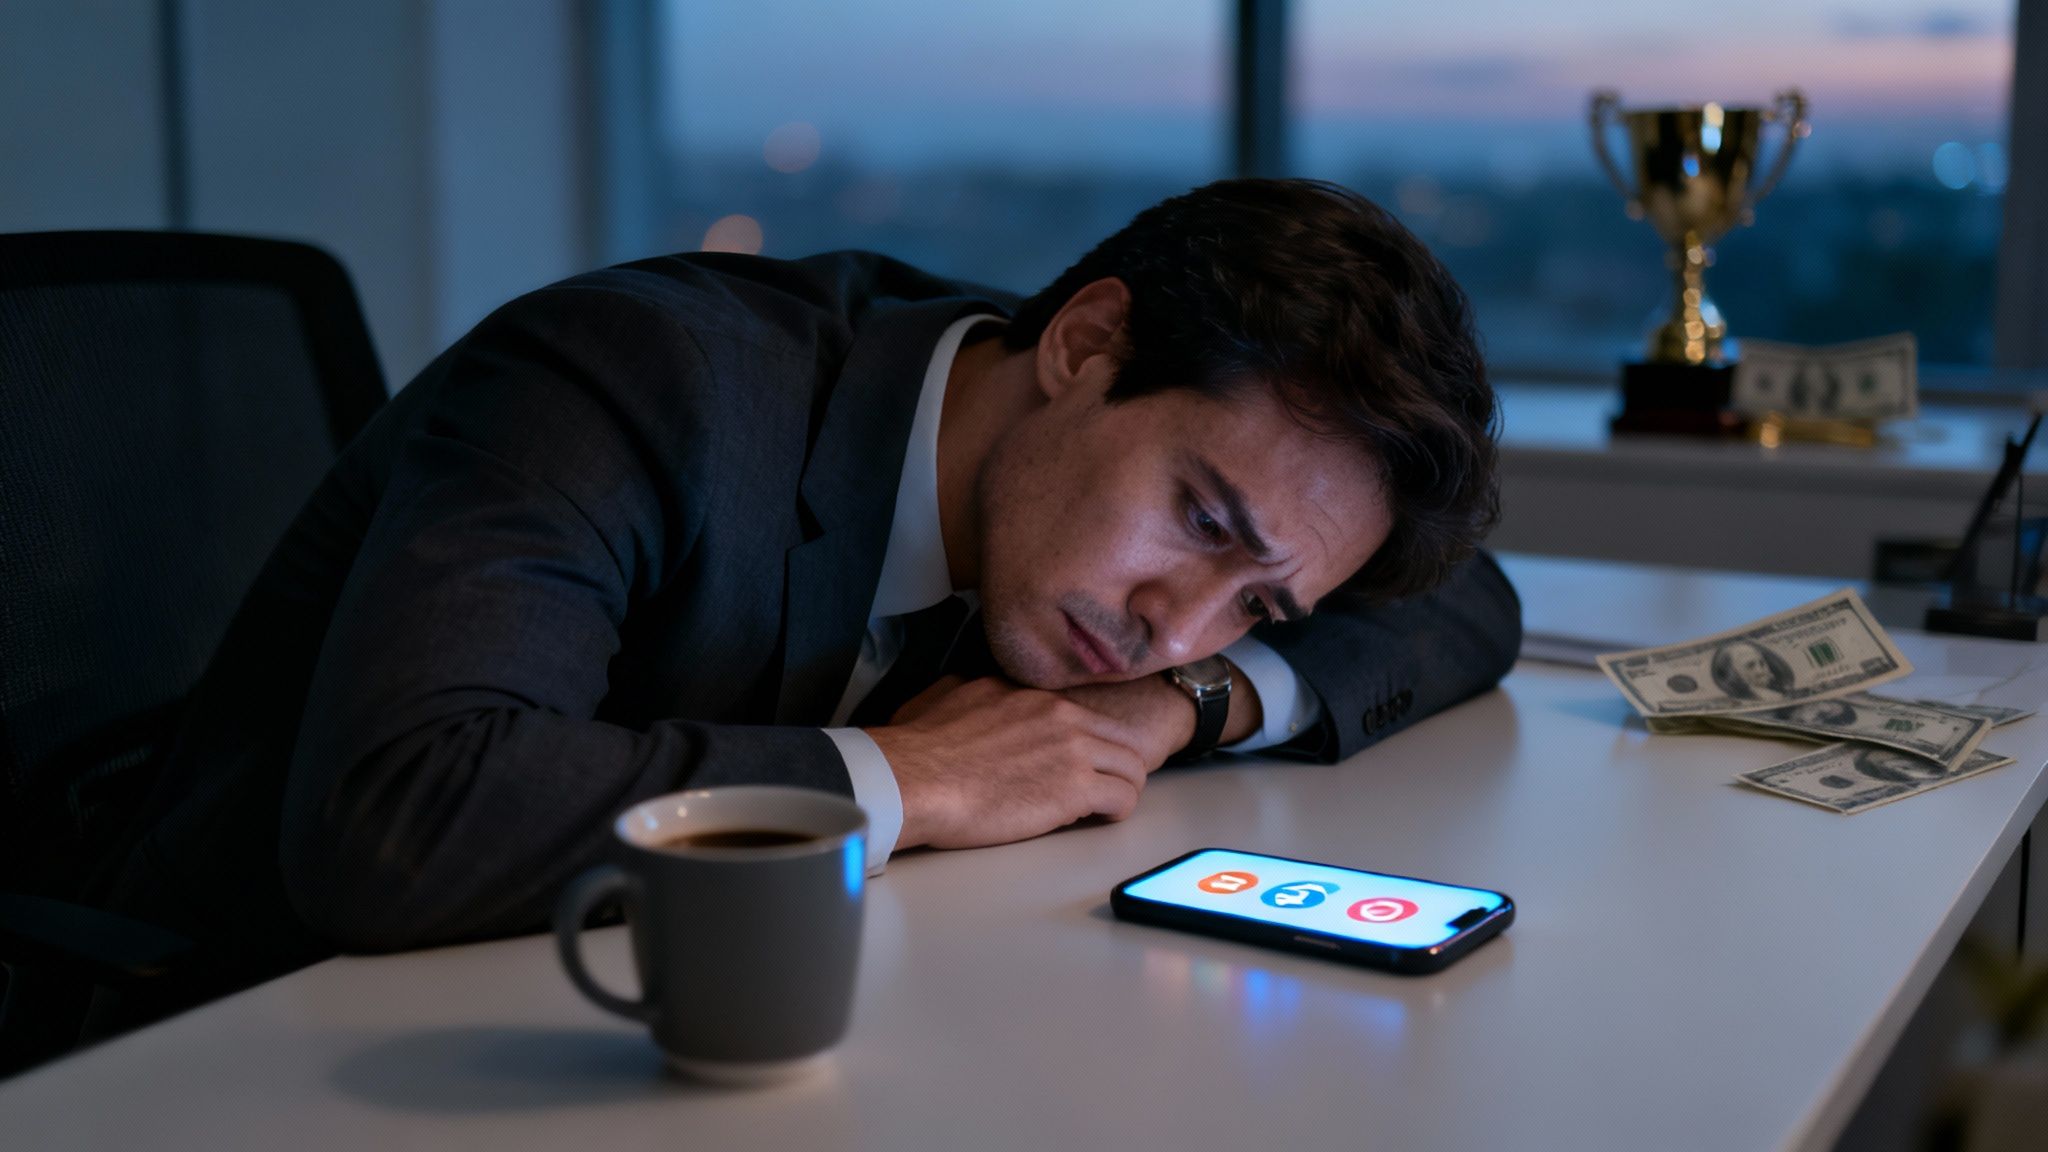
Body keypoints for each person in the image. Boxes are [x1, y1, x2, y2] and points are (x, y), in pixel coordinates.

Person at [100, 179, 1521, 999]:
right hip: (244, 1015)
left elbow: (1471, 605)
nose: (1175, 619)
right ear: (1087, 347)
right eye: (1199, 519)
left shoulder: (1043, 418)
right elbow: (399, 816)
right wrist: (907, 780)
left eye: (1260, 605)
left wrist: (1179, 711)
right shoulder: (635, 380)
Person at [1709, 639, 1796, 702]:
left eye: (1762, 663)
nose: (1760, 671)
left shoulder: (1785, 694)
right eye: (1750, 666)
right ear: (1730, 675)